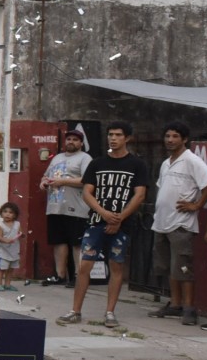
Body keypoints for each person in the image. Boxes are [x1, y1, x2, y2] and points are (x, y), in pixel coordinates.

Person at [58, 122, 148, 330]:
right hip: (96, 223)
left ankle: (110, 312)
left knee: (116, 266)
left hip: (122, 226)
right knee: (85, 266)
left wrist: (119, 218)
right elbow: (88, 192)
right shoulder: (98, 163)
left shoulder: (136, 164)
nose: (113, 138)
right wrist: (104, 213)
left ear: (127, 138)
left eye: (118, 135)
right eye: (110, 134)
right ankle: (75, 310)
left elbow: (140, 194)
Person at [148, 122, 207, 326]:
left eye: (175, 136)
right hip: (161, 222)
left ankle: (189, 308)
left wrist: (196, 205)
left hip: (181, 224)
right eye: (167, 136)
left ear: (184, 139)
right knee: (169, 267)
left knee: (184, 268)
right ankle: (175, 305)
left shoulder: (192, 160)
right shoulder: (166, 162)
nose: (170, 140)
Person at [39, 128, 91, 287]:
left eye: (75, 140)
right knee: (58, 242)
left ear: (81, 143)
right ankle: (60, 275)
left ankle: (78, 276)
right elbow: (46, 175)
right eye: (69, 139)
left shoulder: (85, 158)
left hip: (76, 208)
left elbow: (87, 180)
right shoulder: (57, 158)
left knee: (76, 244)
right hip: (55, 207)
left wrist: (63, 182)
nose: (71, 142)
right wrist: (43, 182)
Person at [0, 202, 22, 291]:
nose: (7, 214)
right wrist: (6, 240)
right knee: (1, 269)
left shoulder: (17, 224)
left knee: (10, 269)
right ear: (1, 213)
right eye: (5, 211)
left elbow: (20, 233)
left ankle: (8, 284)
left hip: (14, 251)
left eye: (11, 212)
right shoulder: (0, 225)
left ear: (15, 215)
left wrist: (21, 235)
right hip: (3, 252)